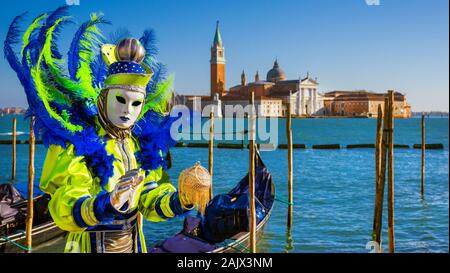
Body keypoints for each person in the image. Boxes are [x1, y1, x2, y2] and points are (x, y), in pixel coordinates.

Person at [4, 7, 195, 253]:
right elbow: (64, 204)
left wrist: (182, 199)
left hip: (134, 245)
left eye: (136, 103)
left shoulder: (136, 145)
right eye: (120, 100)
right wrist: (107, 203)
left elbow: (149, 199)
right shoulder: (80, 142)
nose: (128, 111)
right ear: (103, 100)